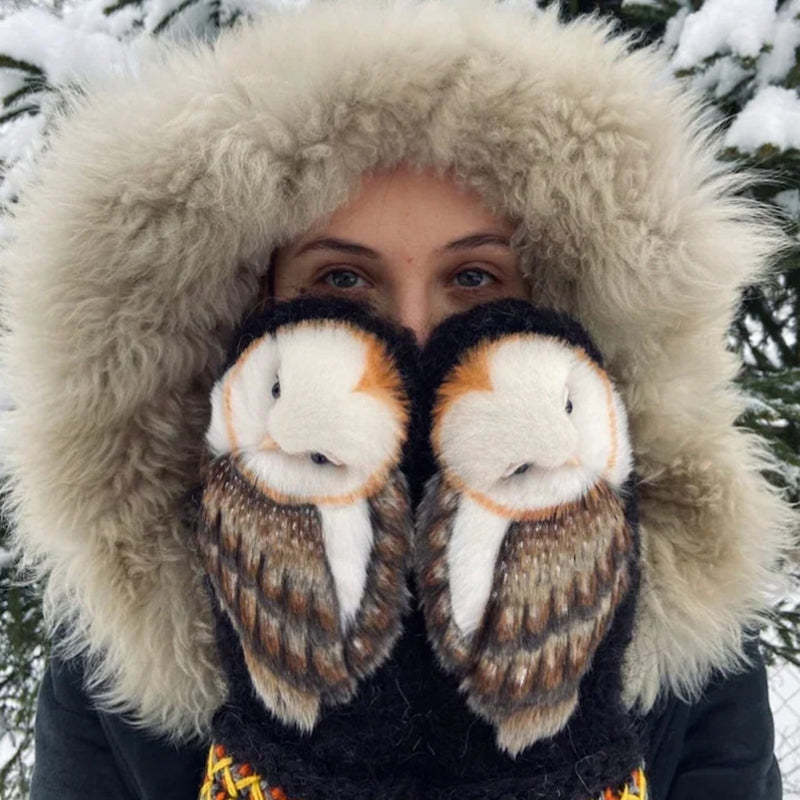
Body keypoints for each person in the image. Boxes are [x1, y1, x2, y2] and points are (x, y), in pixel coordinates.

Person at [3, 1, 791, 798]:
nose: (412, 334)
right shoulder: (128, 656)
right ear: (252, 309)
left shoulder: (679, 636)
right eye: (342, 281)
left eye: (474, 279)